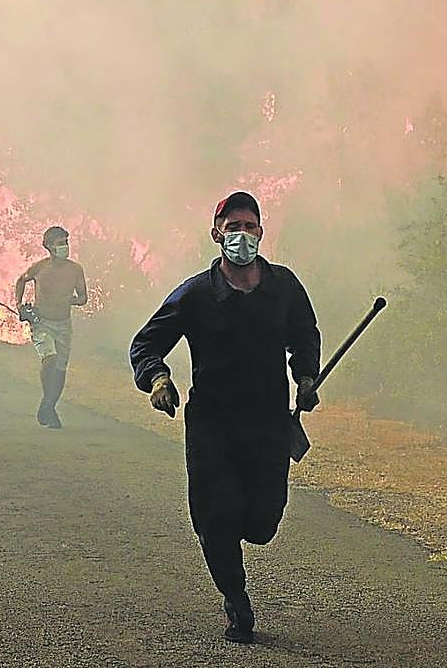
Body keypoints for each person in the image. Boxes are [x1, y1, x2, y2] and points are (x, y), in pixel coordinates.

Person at [129, 191, 321, 644]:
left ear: (262, 232)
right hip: (212, 427)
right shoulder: (196, 293)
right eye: (233, 227)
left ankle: (241, 532)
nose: (242, 235)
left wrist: (306, 377)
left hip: (268, 424)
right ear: (216, 235)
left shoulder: (283, 286)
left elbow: (304, 334)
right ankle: (235, 597)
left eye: (249, 226)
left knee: (262, 523)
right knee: (216, 517)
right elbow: (146, 343)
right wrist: (157, 378)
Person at [14, 225, 87, 429]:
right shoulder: (39, 268)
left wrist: (69, 300)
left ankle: (49, 405)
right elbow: (21, 281)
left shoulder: (75, 270)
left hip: (63, 325)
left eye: (66, 242)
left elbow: (83, 298)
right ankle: (48, 402)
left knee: (60, 369)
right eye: (60, 243)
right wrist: (19, 305)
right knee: (49, 359)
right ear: (48, 246)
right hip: (42, 323)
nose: (65, 246)